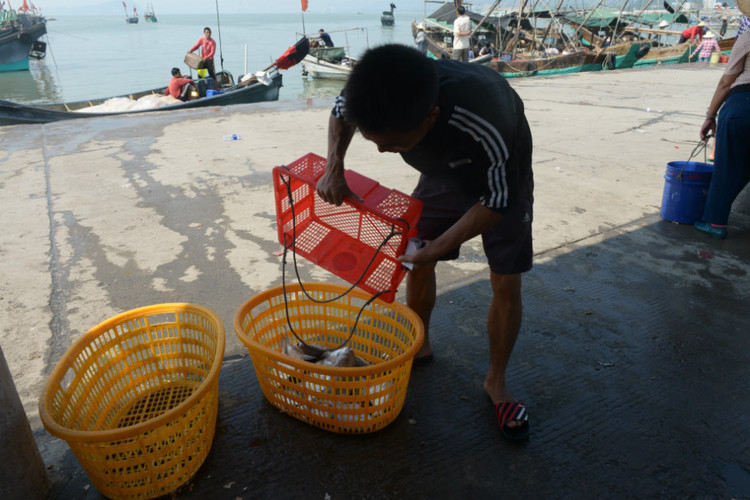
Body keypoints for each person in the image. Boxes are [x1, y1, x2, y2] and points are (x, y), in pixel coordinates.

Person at [316, 44, 534, 442]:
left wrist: (435, 248)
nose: (382, 150)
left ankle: (496, 383)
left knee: (506, 277)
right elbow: (338, 111)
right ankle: (420, 344)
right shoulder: (368, 93)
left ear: (431, 116)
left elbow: (496, 202)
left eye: (394, 145)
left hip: (501, 176)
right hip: (441, 172)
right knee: (416, 257)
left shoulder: (486, 118)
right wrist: (334, 167)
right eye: (375, 142)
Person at [695, 0, 750, 240]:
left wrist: (710, 115)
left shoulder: (747, 37)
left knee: (726, 167)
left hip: (742, 104)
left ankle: (715, 222)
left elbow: (727, 82)